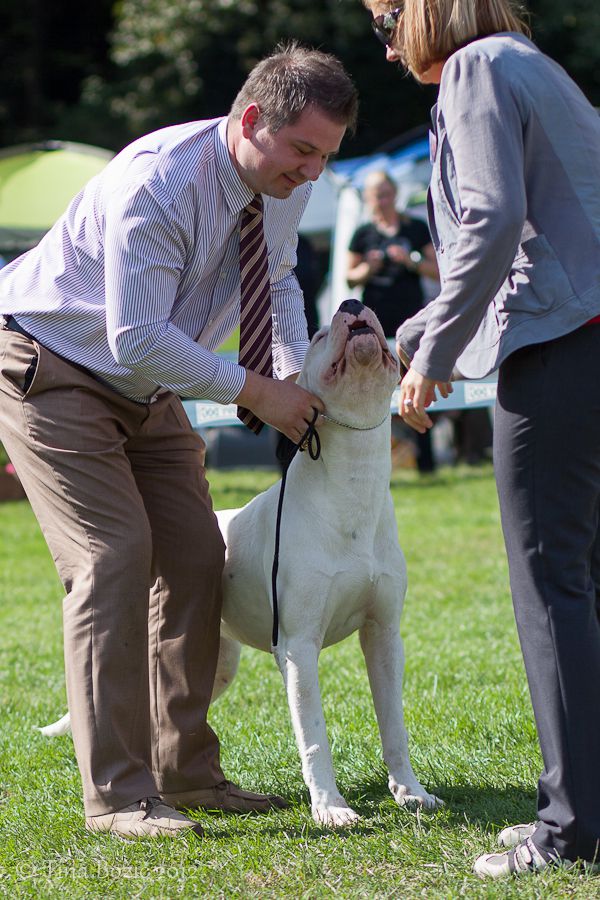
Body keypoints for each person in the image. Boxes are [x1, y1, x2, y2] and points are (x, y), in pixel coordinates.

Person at [0, 42, 358, 840]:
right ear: (252, 119)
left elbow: (280, 277)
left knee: (198, 553)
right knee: (112, 556)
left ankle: (185, 771)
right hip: (54, 364)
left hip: (152, 383)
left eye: (327, 158)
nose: (311, 174)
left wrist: (295, 370)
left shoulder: (285, 183)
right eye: (303, 150)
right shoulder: (157, 182)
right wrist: (258, 389)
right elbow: (135, 337)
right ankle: (119, 797)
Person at [364, 0, 600, 880]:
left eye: (385, 24)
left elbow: (494, 226)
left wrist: (433, 354)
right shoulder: (533, 65)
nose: (386, 49)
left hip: (561, 349)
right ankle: (584, 804)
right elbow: (531, 240)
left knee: (551, 586)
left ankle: (569, 829)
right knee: (584, 583)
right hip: (586, 334)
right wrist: (416, 330)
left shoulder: (473, 71)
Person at [347, 169, 439, 472]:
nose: (382, 201)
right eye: (376, 196)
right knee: (373, 390)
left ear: (395, 195)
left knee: (418, 387)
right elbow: (350, 277)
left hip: (411, 323)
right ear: (368, 199)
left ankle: (427, 462)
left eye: (387, 194)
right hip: (375, 325)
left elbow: (437, 271)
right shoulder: (362, 234)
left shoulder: (415, 228)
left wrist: (409, 260)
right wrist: (370, 267)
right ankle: (376, 462)